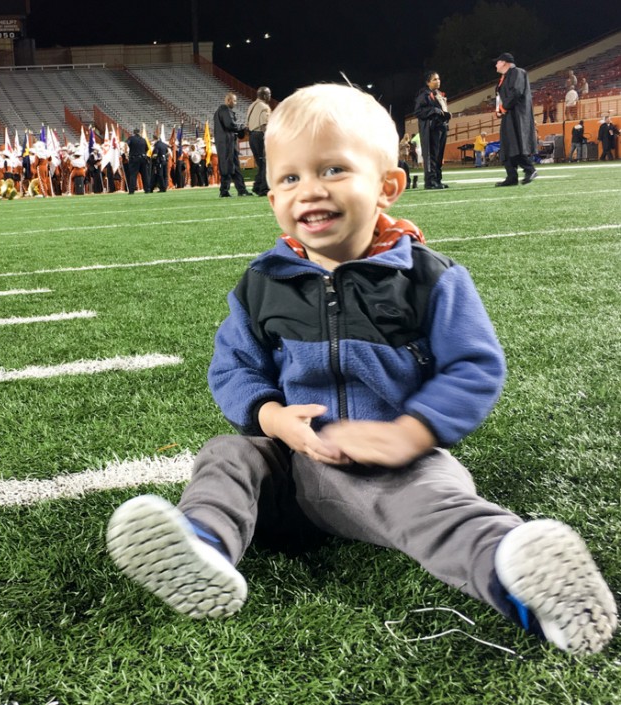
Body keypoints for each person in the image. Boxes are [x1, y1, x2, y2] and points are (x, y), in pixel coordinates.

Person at [105, 83, 617, 657]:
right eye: (290, 178)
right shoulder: (262, 283)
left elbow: (474, 365)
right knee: (227, 454)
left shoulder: (428, 278)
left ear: (387, 187)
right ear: (272, 196)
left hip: (394, 471)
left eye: (333, 170)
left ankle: (521, 578)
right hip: (294, 469)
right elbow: (233, 367)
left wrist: (408, 435)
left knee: (438, 515)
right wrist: (273, 419)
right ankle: (204, 546)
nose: (310, 190)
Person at [494, 53, 538, 186]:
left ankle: (529, 169)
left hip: (517, 115)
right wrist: (498, 109)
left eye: (498, 62)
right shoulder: (505, 76)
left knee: (514, 144)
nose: (496, 65)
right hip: (509, 114)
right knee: (507, 146)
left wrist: (503, 107)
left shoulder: (517, 72)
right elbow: (500, 96)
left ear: (505, 62)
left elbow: (516, 92)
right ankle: (511, 176)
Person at [414, 71, 450, 189]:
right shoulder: (424, 95)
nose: (438, 81)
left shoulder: (438, 94)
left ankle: (437, 180)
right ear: (428, 82)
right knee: (431, 156)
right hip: (431, 129)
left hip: (441, 127)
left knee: (439, 156)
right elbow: (418, 112)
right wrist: (434, 110)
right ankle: (430, 181)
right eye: (434, 79)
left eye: (438, 79)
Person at [214, 92, 253, 198]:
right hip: (227, 143)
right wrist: (241, 127)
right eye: (234, 100)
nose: (236, 103)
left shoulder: (221, 111)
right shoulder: (224, 109)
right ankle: (224, 191)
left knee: (234, 167)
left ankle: (241, 189)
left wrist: (239, 129)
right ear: (228, 100)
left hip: (227, 142)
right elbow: (229, 124)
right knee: (228, 166)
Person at [245, 86, 272, 196]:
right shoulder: (264, 107)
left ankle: (257, 186)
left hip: (252, 136)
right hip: (260, 136)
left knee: (261, 163)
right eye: (269, 94)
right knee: (266, 163)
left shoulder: (252, 106)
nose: (270, 96)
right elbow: (264, 125)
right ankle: (264, 189)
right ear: (265, 95)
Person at [125, 128, 149, 194]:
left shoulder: (131, 138)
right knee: (145, 175)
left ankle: (132, 190)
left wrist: (126, 153)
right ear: (139, 132)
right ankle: (147, 189)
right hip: (143, 158)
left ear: (134, 132)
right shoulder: (143, 139)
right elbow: (147, 149)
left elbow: (126, 144)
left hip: (134, 159)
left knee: (133, 175)